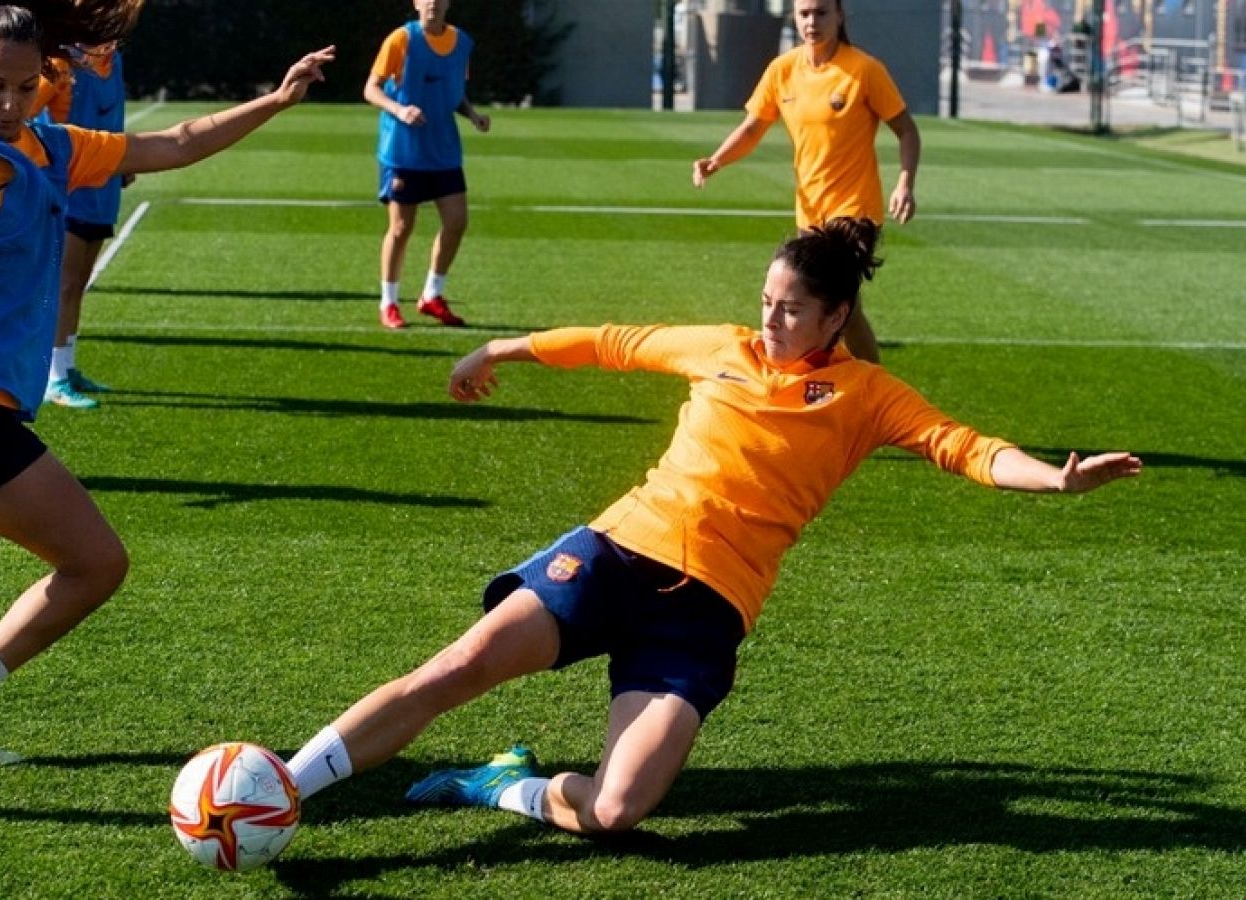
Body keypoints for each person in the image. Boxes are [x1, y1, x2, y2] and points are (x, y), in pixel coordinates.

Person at [283, 217, 1141, 836]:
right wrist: (501, 350)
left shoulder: (869, 396)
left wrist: (1052, 479)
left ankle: (503, 787)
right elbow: (615, 341)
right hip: (619, 551)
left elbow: (965, 447)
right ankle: (286, 786)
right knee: (459, 665)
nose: (770, 320)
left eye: (791, 309)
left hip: (705, 613)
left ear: (837, 317)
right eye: (766, 300)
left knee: (616, 811)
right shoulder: (725, 346)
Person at [0, 0, 335, 766]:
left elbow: (172, 144)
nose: (10, 105)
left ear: (45, 82)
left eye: (24, 87)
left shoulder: (52, 148)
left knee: (95, 564)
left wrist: (275, 101)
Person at [692, 0, 919, 365]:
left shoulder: (863, 70)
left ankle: (871, 386)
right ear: (794, 18)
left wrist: (905, 182)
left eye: (821, 12)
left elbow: (907, 130)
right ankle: (834, 382)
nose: (812, 20)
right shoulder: (783, 70)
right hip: (810, 212)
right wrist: (717, 160)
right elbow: (753, 127)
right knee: (823, 307)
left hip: (854, 213)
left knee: (839, 305)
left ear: (839, 16)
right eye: (804, 13)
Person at [365, 0, 490, 330]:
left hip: (444, 149)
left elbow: (454, 92)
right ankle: (388, 302)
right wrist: (399, 110)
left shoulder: (462, 43)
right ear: (417, 3)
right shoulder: (401, 40)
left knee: (457, 221)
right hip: (404, 150)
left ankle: (432, 295)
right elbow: (371, 89)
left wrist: (473, 114)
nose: (432, 2)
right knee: (401, 228)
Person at [39, 40, 125, 409]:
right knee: (65, 284)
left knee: (79, 284)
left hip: (104, 188)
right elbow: (36, 114)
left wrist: (126, 162)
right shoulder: (61, 61)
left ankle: (68, 364)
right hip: (70, 186)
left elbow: (115, 114)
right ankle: (53, 377)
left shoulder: (113, 57)